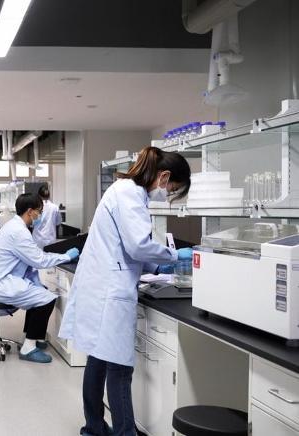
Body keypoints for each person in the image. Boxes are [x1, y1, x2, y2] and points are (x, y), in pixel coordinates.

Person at [58, 146, 192, 435]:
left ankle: (94, 428)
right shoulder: (130, 194)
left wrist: (157, 266)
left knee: (97, 360)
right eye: (171, 190)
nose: (167, 195)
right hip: (109, 290)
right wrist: (173, 256)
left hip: (101, 285)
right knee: (119, 368)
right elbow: (137, 246)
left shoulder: (124, 191)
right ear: (163, 176)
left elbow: (126, 246)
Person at [0, 193, 80, 363]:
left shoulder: (14, 227)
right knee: (47, 299)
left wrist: (37, 283)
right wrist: (66, 256)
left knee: (40, 292)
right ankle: (29, 347)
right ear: (30, 211)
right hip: (0, 285)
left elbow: (27, 262)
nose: (40, 215)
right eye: (39, 211)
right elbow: (39, 260)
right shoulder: (19, 232)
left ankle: (31, 336)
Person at [32, 183, 62, 249]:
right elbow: (58, 223)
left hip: (37, 240)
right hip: (50, 240)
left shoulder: (35, 207)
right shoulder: (55, 207)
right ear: (49, 195)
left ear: (39, 195)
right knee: (50, 255)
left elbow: (32, 223)